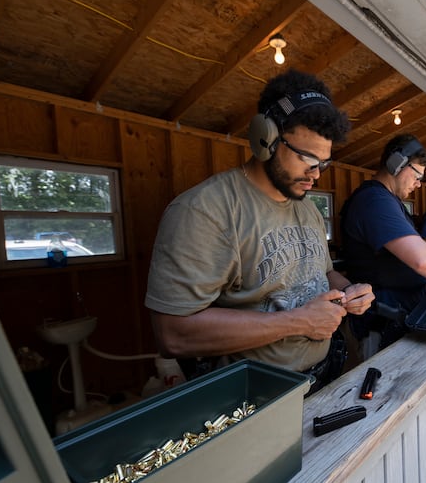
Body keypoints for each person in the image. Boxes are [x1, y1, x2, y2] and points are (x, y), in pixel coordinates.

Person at [145, 69, 375, 388]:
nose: (317, 175)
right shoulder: (205, 210)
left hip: (327, 368)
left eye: (323, 163)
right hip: (256, 394)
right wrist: (297, 322)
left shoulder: (307, 208)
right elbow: (174, 333)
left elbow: (323, 274)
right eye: (307, 158)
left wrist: (349, 290)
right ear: (265, 138)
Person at [340, 134, 426, 355]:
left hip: (402, 314)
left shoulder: (389, 201)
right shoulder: (375, 200)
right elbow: (422, 261)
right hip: (383, 320)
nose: (419, 184)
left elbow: (422, 251)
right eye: (417, 175)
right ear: (396, 164)